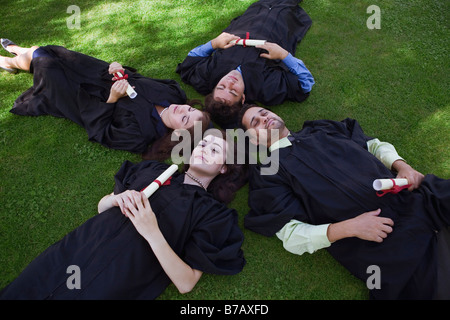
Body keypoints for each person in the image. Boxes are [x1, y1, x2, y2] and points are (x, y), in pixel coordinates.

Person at [239, 104, 450, 299]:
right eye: (255, 123)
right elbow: (291, 235)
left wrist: (402, 166)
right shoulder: (269, 172)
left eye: (264, 113)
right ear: (255, 141)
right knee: (432, 284)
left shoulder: (320, 128)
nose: (264, 119)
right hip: (381, 238)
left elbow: (373, 145)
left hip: (416, 199)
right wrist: (351, 227)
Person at [0, 133, 246, 300]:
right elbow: (102, 207)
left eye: (215, 150)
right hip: (77, 249)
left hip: (117, 277)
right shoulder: (155, 171)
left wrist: (152, 232)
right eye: (202, 144)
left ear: (224, 167)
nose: (204, 150)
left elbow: (186, 282)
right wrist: (117, 199)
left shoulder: (214, 215)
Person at [0, 39, 211, 159]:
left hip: (83, 98)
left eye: (184, 119)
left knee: (45, 62)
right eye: (190, 110)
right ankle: (18, 53)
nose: (182, 110)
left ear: (176, 134)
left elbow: (100, 130)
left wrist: (112, 98)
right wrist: (119, 69)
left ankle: (13, 58)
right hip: (100, 74)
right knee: (50, 51)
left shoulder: (140, 135)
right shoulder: (173, 94)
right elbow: (139, 79)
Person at [176, 0, 315, 128]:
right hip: (280, 21)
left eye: (221, 86)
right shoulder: (264, 87)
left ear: (213, 88)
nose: (230, 82)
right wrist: (283, 55)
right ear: (243, 98)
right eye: (233, 91)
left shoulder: (209, 74)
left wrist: (214, 43)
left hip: (252, 16)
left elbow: (190, 61)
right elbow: (305, 85)